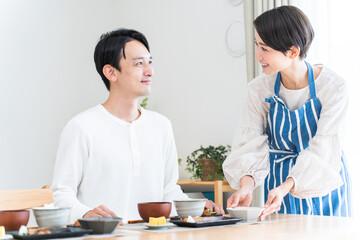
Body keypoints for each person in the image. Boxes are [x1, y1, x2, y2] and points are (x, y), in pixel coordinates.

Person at [51, 28, 223, 223]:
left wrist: (196, 206)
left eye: (149, 62)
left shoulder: (161, 125)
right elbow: (60, 194)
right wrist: (84, 213)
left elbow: (168, 189)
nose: (149, 71)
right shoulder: (82, 127)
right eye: (139, 64)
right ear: (111, 72)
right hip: (103, 236)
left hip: (154, 235)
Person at [223, 6, 351, 220]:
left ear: (293, 51)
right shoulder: (258, 89)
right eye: (257, 46)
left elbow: (323, 149)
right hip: (278, 187)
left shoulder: (333, 87)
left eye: (264, 48)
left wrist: (286, 187)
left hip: (321, 182)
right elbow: (249, 144)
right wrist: (246, 186)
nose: (257, 56)